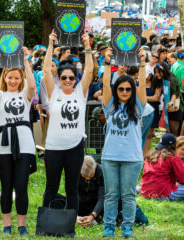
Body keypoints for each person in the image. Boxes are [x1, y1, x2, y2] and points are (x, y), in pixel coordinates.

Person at [0, 46, 36, 236]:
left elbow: (32, 86)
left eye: (17, 78)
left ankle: (21, 225)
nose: (13, 81)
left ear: (20, 79)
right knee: (6, 186)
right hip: (3, 145)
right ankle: (7, 225)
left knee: (21, 185)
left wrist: (25, 62)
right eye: (10, 77)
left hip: (24, 144)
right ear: (5, 79)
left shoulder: (25, 95)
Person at [42, 31, 93, 216]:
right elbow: (47, 69)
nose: (68, 81)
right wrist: (50, 45)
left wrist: (87, 46)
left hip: (74, 147)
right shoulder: (53, 91)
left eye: (71, 78)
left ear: (75, 79)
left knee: (72, 188)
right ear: (59, 79)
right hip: (54, 148)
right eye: (64, 78)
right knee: (51, 187)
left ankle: (70, 225)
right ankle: (45, 223)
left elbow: (89, 71)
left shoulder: (81, 92)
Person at [101, 47, 146, 238]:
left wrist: (143, 63)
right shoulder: (110, 106)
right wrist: (108, 63)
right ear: (116, 90)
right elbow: (104, 85)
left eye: (128, 89)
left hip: (132, 158)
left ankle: (127, 227)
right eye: (121, 89)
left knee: (128, 195)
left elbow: (142, 86)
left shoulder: (137, 107)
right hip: (110, 157)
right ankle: (109, 228)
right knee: (111, 195)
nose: (125, 91)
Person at [141, 133, 184, 201]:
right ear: (175, 146)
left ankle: (137, 189)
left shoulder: (150, 154)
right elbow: (182, 178)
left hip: (145, 193)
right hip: (162, 195)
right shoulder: (172, 156)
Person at [154, 62, 183, 136]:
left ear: (163, 71)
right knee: (170, 130)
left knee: (174, 132)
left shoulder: (171, 79)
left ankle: (175, 146)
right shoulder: (164, 78)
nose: (157, 74)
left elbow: (175, 93)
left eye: (158, 72)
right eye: (155, 72)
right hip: (169, 106)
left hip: (175, 108)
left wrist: (171, 102)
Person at [76, 156, 104, 228]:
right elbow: (72, 195)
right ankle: (77, 218)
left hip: (96, 204)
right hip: (80, 203)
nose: (87, 178)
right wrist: (74, 216)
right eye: (84, 177)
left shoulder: (101, 171)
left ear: (95, 167)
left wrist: (92, 215)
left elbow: (102, 198)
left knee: (116, 199)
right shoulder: (75, 170)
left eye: (90, 176)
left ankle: (95, 219)